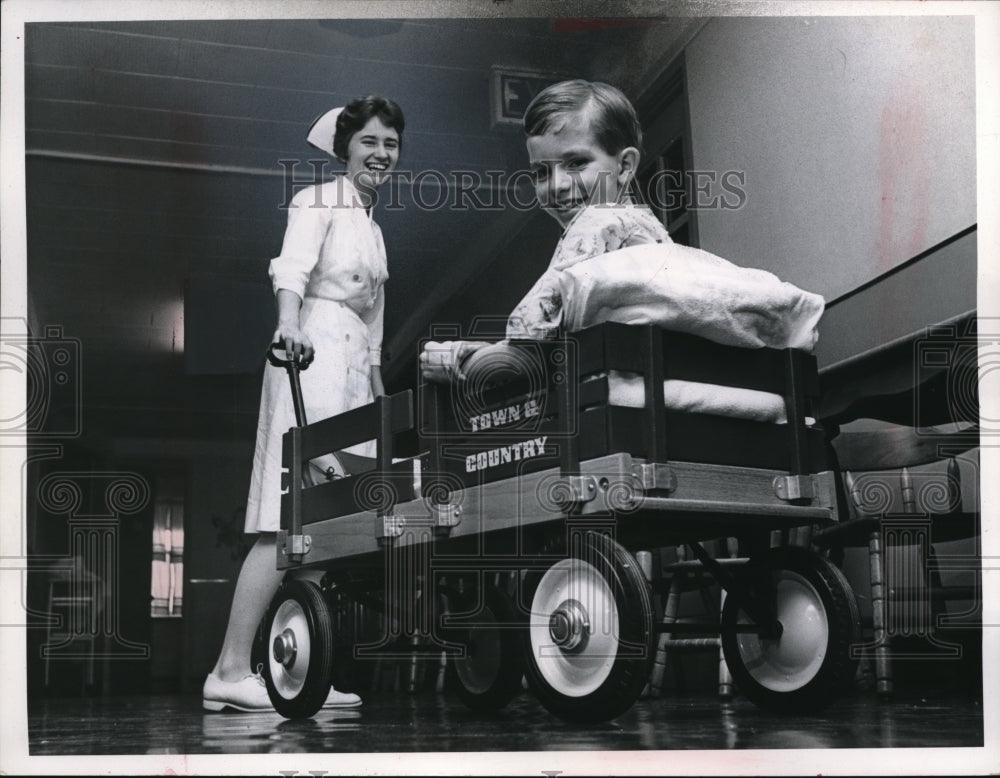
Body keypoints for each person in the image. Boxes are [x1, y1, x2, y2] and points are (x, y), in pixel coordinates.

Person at [203, 95, 405, 712]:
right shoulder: (316, 200)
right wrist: (288, 325)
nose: (381, 154)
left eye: (391, 144)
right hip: (308, 351)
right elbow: (289, 269)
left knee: (328, 524)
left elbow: (374, 319)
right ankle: (230, 669)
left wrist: (375, 383)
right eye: (369, 141)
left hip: (349, 368)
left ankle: (302, 676)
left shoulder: (372, 228)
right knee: (288, 513)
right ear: (345, 149)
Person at [420, 79, 822, 382]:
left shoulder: (597, 222)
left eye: (576, 163)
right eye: (541, 172)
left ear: (626, 165)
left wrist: (461, 360)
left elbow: (528, 339)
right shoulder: (648, 230)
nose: (557, 184)